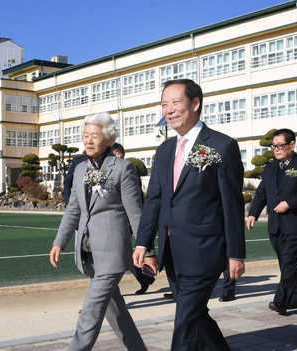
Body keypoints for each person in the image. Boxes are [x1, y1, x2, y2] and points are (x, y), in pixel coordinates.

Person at [133, 79, 246, 351]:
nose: (169, 110)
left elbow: (232, 204)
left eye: (175, 102)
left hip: (205, 249)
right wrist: (143, 243)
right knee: (194, 313)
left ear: (195, 103)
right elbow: (155, 201)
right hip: (172, 251)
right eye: (163, 104)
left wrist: (236, 254)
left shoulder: (221, 146)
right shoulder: (164, 151)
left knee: (184, 321)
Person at [50, 112, 147, 351]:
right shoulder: (80, 169)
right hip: (87, 252)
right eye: (85, 136)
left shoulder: (123, 169)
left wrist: (147, 247)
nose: (88, 141)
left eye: (95, 135)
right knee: (116, 312)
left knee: (90, 313)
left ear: (109, 138)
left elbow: (135, 213)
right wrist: (59, 241)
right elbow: (73, 209)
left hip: (112, 253)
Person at [247, 128, 297, 316]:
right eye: (274, 146)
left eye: (281, 145)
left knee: (289, 263)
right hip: (276, 224)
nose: (277, 149)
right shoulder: (269, 168)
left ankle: (281, 301)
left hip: (296, 223)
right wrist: (253, 213)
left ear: (292, 145)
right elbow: (262, 192)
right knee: (286, 263)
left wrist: (289, 203)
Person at [111, 142, 156, 294]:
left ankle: (107, 291)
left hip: (130, 219)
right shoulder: (109, 169)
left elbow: (136, 198)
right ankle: (144, 279)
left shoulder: (129, 169)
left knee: (119, 253)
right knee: (121, 253)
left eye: (118, 153)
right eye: (114, 153)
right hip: (117, 219)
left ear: (123, 154)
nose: (116, 156)